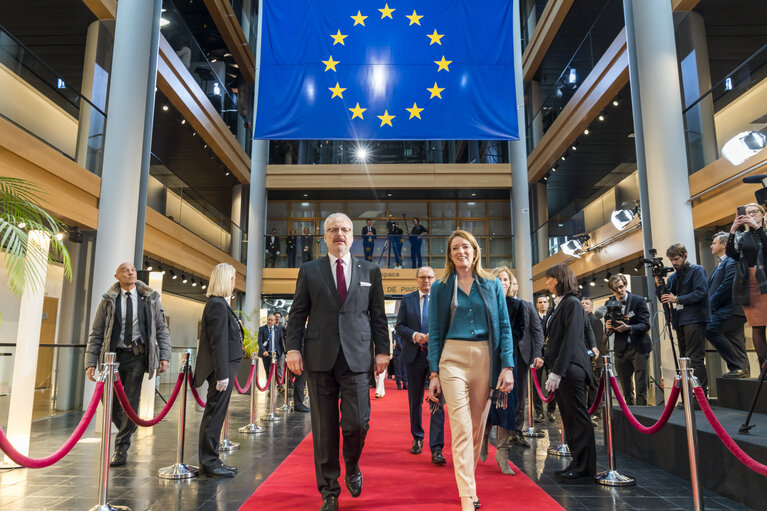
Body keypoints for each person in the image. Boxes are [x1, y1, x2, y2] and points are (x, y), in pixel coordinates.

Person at [285, 212, 389, 511]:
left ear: (353, 236)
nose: (339, 234)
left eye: (345, 229)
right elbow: (297, 314)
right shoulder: (309, 270)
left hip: (356, 358)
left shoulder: (370, 271)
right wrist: (293, 348)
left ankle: (352, 465)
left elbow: (378, 316)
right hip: (319, 359)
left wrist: (382, 351)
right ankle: (329, 491)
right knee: (324, 428)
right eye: (333, 230)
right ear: (325, 237)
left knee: (357, 423)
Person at [427, 230, 514, 511]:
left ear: (475, 251)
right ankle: (467, 496)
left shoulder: (491, 284)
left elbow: (504, 326)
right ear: (449, 255)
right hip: (451, 358)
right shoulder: (441, 287)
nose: (460, 252)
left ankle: (469, 484)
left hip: (486, 359)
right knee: (462, 427)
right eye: (455, 249)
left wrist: (508, 365)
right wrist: (433, 373)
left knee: (477, 430)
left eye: (465, 247)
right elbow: (435, 331)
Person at [85, 262, 171, 467]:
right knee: (111, 402)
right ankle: (129, 426)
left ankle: (121, 448)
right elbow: (97, 333)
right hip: (112, 358)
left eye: (132, 269)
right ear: (117, 276)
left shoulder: (149, 298)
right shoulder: (108, 300)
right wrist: (90, 361)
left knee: (131, 401)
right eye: (125, 270)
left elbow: (161, 329)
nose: (131, 272)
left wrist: (164, 356)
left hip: (137, 357)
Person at [543, 263, 597, 482]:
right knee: (569, 418)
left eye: (549, 278)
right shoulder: (562, 304)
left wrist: (557, 371)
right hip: (563, 368)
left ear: (557, 279)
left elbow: (571, 339)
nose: (546, 282)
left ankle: (585, 467)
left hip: (571, 369)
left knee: (578, 418)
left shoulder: (573, 303)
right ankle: (577, 462)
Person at [194, 263, 244, 477]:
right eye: (233, 279)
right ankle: (209, 462)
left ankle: (213, 458)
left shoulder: (222, 304)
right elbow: (218, 342)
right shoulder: (216, 304)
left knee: (217, 414)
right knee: (214, 415)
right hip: (220, 370)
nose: (235, 283)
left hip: (226, 367)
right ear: (226, 280)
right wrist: (222, 375)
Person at [395, 266, 446, 466]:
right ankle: (417, 437)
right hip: (414, 356)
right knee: (414, 400)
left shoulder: (442, 299)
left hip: (437, 357)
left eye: (430, 277)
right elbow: (399, 326)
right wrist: (415, 336)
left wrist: (433, 337)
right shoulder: (407, 300)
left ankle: (436, 448)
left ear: (435, 279)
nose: (426, 280)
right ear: (416, 279)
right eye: (423, 277)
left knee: (437, 401)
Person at [478, 266, 522, 476]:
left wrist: (503, 334)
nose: (502, 282)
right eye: (498, 279)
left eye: (505, 279)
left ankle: (502, 454)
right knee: (487, 405)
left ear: (510, 282)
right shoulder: (485, 304)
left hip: (508, 361)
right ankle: (484, 439)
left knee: (506, 408)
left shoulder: (517, 305)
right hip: (486, 360)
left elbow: (520, 333)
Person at [660, 243, 711, 396]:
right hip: (681, 320)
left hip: (695, 318)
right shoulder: (674, 276)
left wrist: (678, 299)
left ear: (685, 255)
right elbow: (664, 297)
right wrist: (658, 282)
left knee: (695, 358)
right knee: (684, 359)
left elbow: (701, 292)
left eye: (676, 259)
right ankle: (689, 395)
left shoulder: (697, 271)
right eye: (671, 260)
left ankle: (700, 395)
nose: (674, 263)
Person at [728, 204, 767, 370]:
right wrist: (732, 230)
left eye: (754, 212)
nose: (750, 215)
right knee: (757, 326)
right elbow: (732, 254)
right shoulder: (742, 237)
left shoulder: (764, 232)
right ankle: (764, 366)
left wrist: (757, 227)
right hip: (750, 282)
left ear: (762, 214)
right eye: (747, 213)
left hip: (765, 278)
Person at [604, 275, 652, 405]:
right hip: (621, 349)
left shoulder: (638, 300)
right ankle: (629, 415)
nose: (619, 291)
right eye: (615, 289)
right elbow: (608, 328)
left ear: (625, 285)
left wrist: (629, 327)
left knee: (641, 386)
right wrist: (608, 328)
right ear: (612, 290)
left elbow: (646, 325)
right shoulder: (609, 303)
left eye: (621, 287)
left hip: (639, 347)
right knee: (625, 387)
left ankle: (642, 416)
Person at [708, 231, 749, 378]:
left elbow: (727, 286)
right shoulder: (721, 264)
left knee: (711, 329)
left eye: (714, 243)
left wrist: (710, 305)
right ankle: (742, 371)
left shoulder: (732, 261)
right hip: (726, 309)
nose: (711, 245)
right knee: (737, 344)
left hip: (732, 308)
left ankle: (737, 366)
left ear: (724, 244)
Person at [533, 295, 557, 422]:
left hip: (550, 354)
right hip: (536, 355)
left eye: (545, 302)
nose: (542, 304)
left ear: (548, 304)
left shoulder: (552, 317)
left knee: (553, 384)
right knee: (535, 385)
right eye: (540, 302)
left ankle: (551, 411)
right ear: (537, 304)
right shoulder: (533, 317)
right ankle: (539, 413)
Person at [581, 297, 606, 415]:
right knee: (585, 387)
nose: (584, 305)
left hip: (594, 359)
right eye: (582, 303)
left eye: (587, 303)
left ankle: (596, 412)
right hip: (583, 359)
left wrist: (592, 357)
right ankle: (588, 411)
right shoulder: (580, 321)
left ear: (591, 307)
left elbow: (596, 342)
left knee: (594, 387)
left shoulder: (595, 321)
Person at [258, 314, 284, 382]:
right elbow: (260, 341)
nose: (269, 321)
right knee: (267, 370)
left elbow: (281, 341)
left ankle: (273, 385)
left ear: (275, 321)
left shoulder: (278, 329)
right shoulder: (262, 329)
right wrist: (264, 351)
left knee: (275, 370)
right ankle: (270, 386)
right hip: (266, 353)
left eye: (271, 320)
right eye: (268, 319)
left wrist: (282, 352)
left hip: (275, 353)